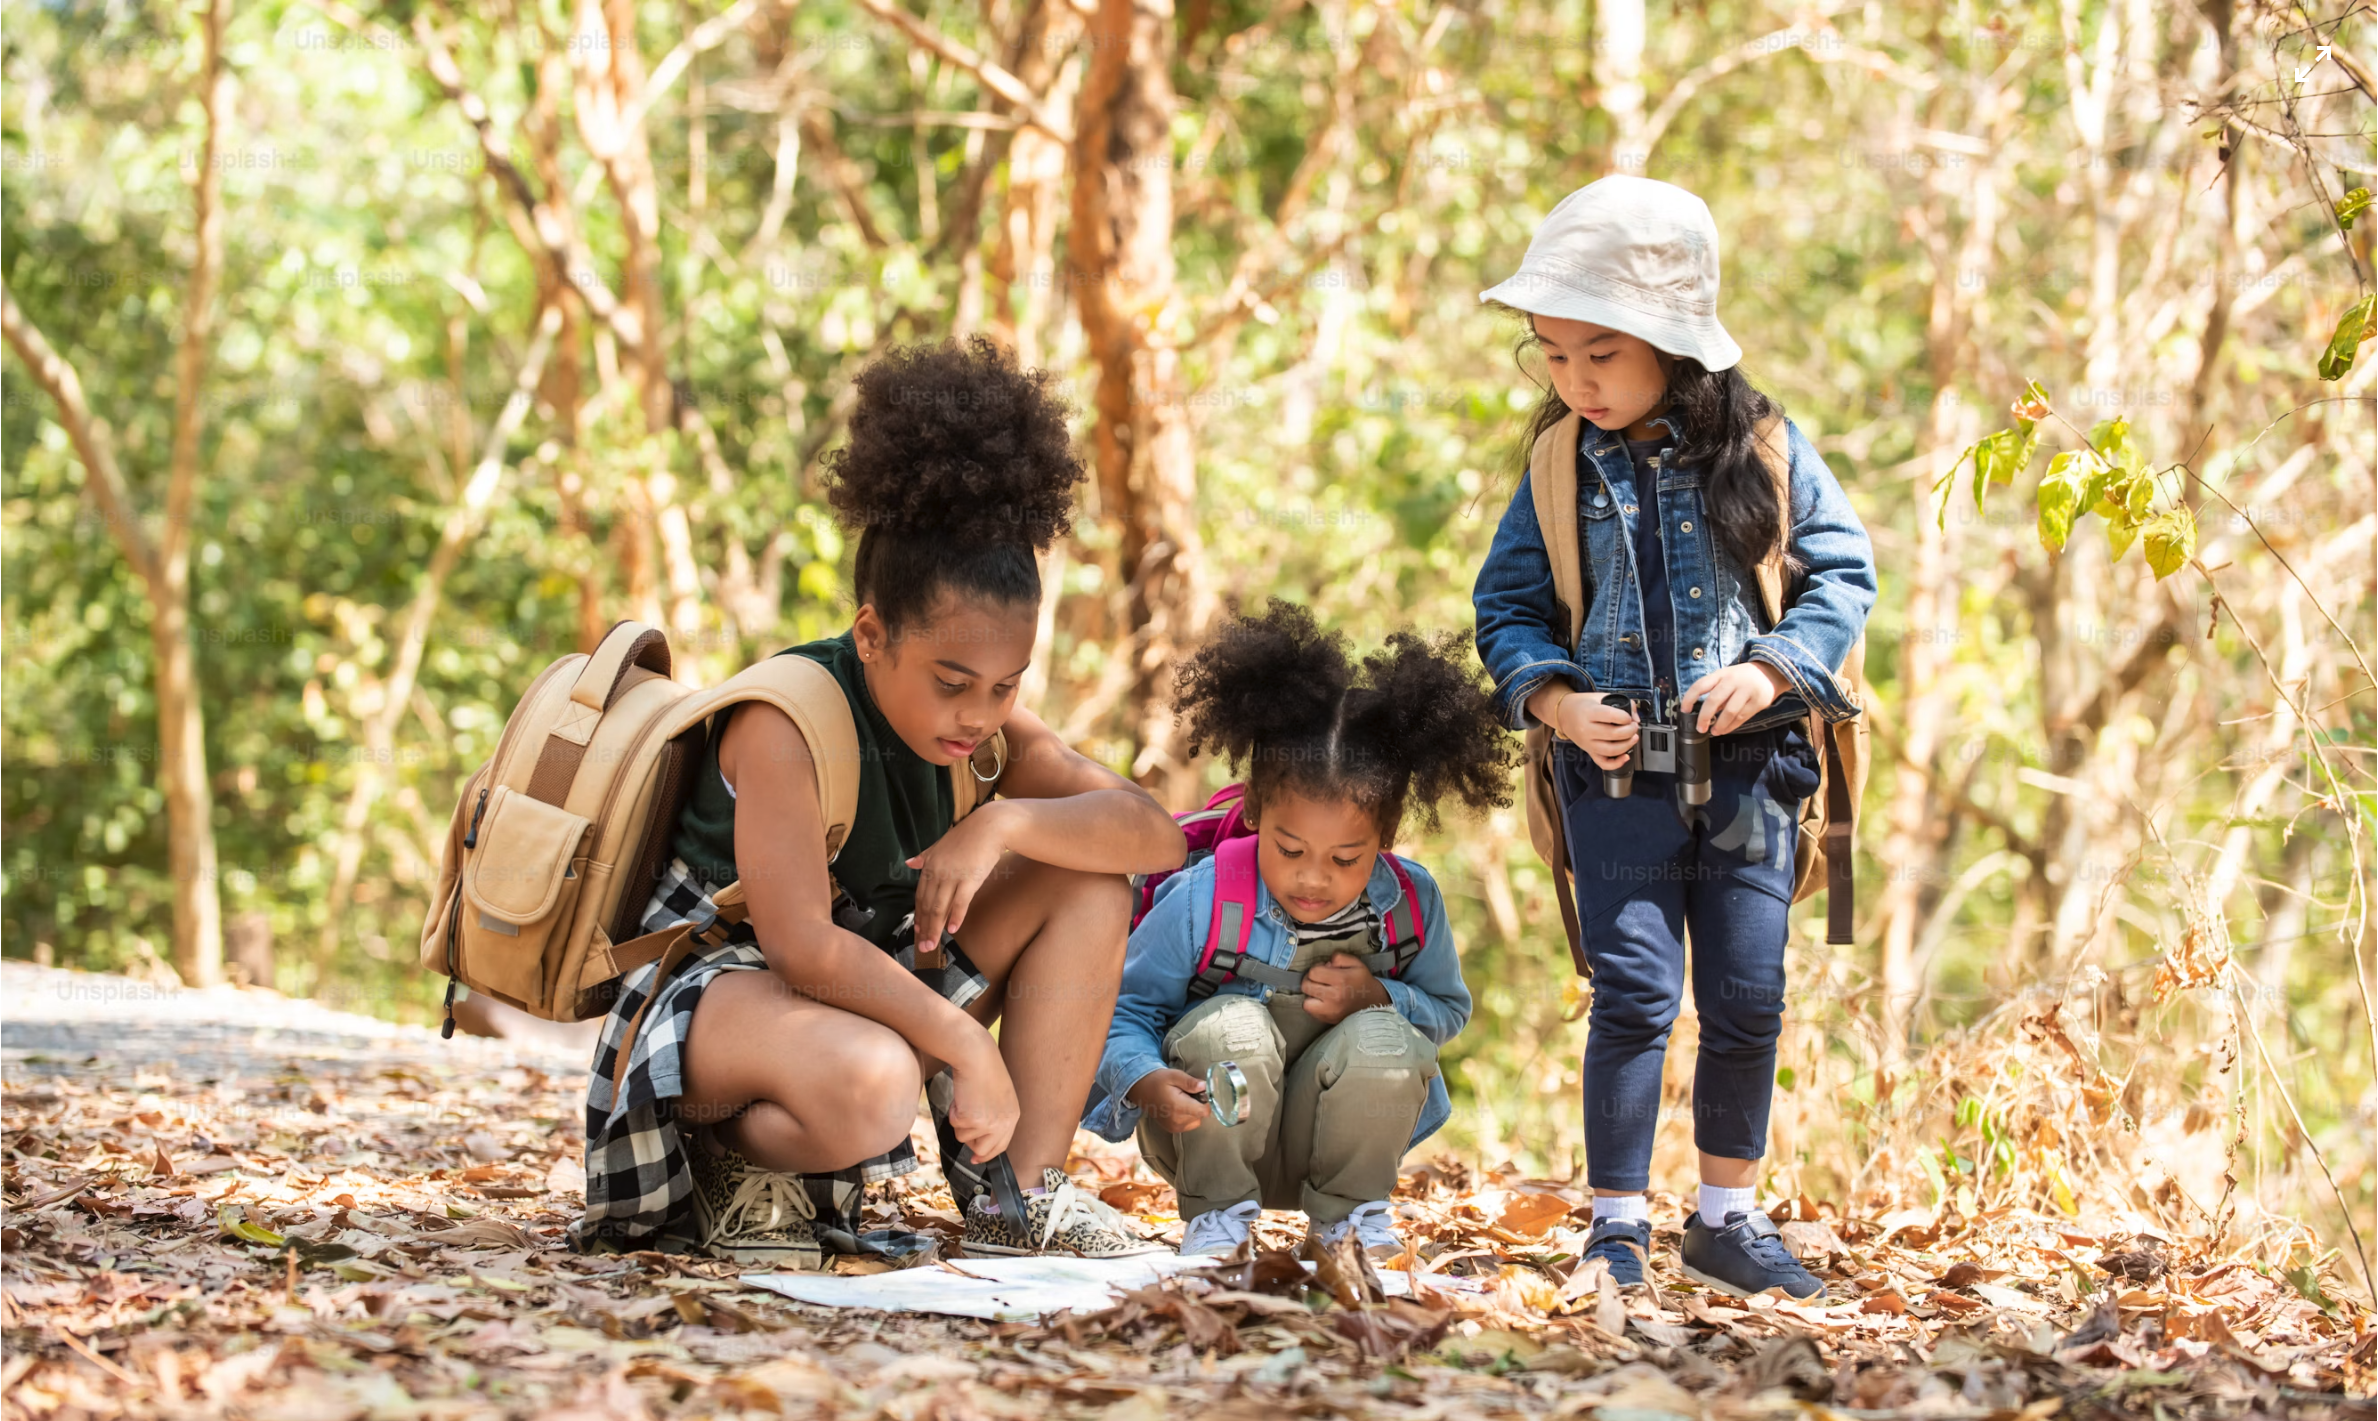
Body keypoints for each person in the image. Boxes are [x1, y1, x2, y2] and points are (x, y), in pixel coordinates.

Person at [581, 338, 1187, 1266]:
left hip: (855, 992)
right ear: (871, 632)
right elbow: (800, 947)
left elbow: (1154, 839)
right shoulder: (787, 719)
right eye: (952, 680)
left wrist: (1007, 820)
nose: (977, 713)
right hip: (716, 998)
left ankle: (1015, 1201)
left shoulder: (986, 738)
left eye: (1003, 685)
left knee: (1088, 880)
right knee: (877, 1080)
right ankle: (726, 1168)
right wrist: (969, 1049)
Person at [1471, 176, 1876, 1299]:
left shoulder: (1764, 448)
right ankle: (1613, 1223)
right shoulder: (1559, 466)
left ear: (1673, 344)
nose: (1573, 380)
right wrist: (1553, 702)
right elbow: (1503, 608)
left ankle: (1726, 1216)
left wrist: (1767, 670)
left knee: (1746, 993)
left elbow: (1840, 576)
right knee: (1634, 989)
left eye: (1598, 353)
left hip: (1750, 767)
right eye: (1552, 355)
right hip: (1612, 771)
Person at [1083, 604, 1515, 1261]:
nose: (1314, 878)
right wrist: (1142, 1079)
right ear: (1254, 807)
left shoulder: (1410, 904)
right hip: (1211, 1133)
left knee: (1386, 1039)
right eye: (1288, 849)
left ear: (1387, 836)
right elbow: (1123, 1009)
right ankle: (1220, 1227)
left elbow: (1449, 1011)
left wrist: (1380, 998)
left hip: (1338, 1138)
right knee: (1233, 1027)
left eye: (1346, 859)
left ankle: (1350, 1223)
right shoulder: (1205, 899)